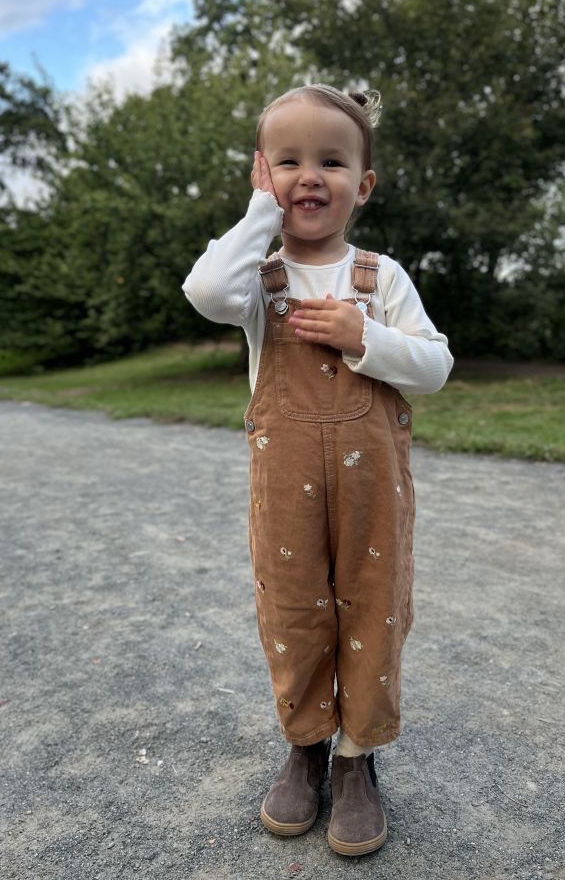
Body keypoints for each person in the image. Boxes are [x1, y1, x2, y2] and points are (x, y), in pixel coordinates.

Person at [182, 84, 453, 856]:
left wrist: (365, 336)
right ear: (263, 176)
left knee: (374, 608)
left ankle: (356, 757)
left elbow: (435, 366)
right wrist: (257, 214)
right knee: (294, 611)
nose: (310, 175)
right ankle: (305, 744)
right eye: (289, 161)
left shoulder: (381, 278)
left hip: (372, 494)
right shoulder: (256, 282)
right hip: (286, 492)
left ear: (361, 186)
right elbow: (204, 290)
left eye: (331, 161)